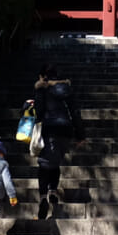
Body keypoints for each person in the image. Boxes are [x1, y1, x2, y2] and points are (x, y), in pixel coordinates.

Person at [32, 64, 83, 217]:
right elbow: (75, 111)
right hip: (66, 130)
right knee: (55, 162)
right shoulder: (67, 89)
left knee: (44, 164)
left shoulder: (42, 88)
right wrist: (80, 135)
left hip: (50, 129)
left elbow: (40, 111)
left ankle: (42, 197)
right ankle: (53, 190)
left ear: (43, 77)